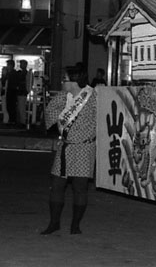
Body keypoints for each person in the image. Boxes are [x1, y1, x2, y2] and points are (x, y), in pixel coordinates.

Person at [40, 72, 97, 235]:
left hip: (84, 147)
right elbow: (49, 115)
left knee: (80, 187)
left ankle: (75, 225)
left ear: (74, 81)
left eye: (64, 79)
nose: (62, 82)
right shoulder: (63, 97)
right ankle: (54, 223)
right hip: (65, 146)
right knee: (57, 185)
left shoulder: (93, 96)